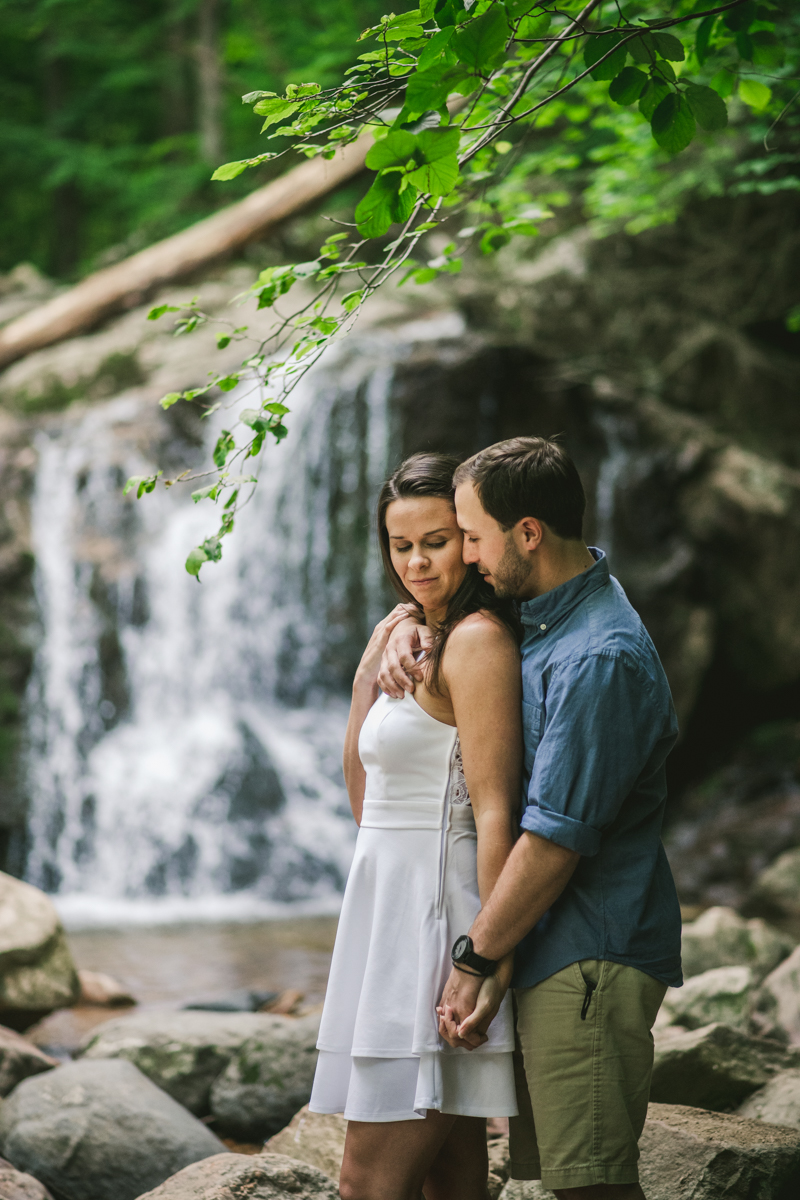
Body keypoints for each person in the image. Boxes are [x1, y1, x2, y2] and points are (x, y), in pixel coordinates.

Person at [379, 437, 682, 1200]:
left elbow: (554, 837)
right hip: (548, 945)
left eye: (471, 537)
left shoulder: (597, 657)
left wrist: (476, 958)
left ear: (527, 534)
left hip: (588, 953)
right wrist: (404, 624)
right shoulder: (545, 617)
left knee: (593, 1189)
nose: (467, 556)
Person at [308, 452, 523, 1200]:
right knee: (451, 1184)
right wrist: (373, 665)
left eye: (436, 540)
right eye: (401, 546)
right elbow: (366, 802)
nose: (417, 561)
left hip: (435, 933)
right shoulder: (415, 636)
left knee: (365, 1186)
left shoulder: (477, 643)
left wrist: (486, 960)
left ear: (469, 538)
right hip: (390, 920)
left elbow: (499, 809)